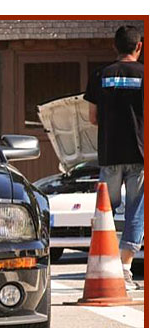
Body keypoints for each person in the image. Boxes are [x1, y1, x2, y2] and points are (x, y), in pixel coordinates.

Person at [84, 25, 144, 290]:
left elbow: (93, 117)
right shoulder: (147, 75)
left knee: (107, 210)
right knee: (136, 209)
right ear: (139, 46)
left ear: (114, 47)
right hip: (141, 154)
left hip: (109, 153)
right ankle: (125, 268)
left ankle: (104, 266)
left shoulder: (100, 75)